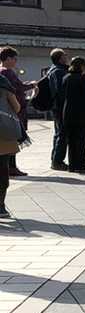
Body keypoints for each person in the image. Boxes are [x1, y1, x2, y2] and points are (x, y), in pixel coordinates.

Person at [61, 57, 85, 174]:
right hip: (81, 114)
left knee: (71, 141)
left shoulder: (66, 78)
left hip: (68, 113)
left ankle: (72, 165)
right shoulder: (82, 78)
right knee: (81, 141)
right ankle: (81, 165)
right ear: (82, 66)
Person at [0, 48, 28, 176]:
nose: (16, 61)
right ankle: (11, 167)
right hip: (9, 113)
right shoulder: (7, 74)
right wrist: (32, 86)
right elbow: (17, 90)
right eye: (14, 59)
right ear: (7, 59)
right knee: (12, 139)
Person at [46, 49, 70, 170]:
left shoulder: (53, 70)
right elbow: (61, 90)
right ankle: (57, 161)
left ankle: (55, 160)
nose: (67, 57)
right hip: (60, 106)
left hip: (56, 106)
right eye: (65, 55)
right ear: (60, 58)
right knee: (62, 134)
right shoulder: (59, 71)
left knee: (58, 133)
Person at [0, 79, 19, 217]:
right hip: (3, 136)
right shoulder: (4, 87)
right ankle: (0, 206)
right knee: (2, 171)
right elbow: (16, 108)